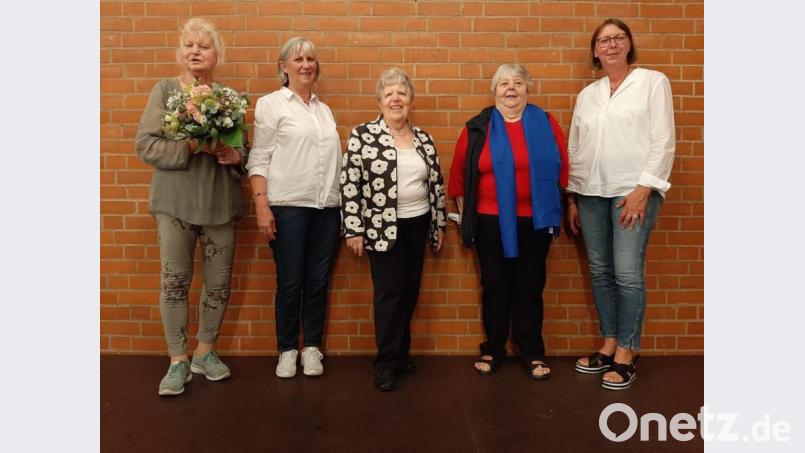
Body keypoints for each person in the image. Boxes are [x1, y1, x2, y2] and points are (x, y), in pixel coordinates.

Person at [135, 18, 247, 396]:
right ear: (181, 52)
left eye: (204, 46)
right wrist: (191, 147)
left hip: (220, 203)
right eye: (189, 45)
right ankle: (177, 360)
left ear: (218, 55)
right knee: (174, 283)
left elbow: (244, 152)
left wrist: (235, 155)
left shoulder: (230, 99)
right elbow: (146, 145)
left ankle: (206, 352)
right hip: (175, 204)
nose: (195, 51)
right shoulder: (165, 91)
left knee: (218, 285)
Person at [567, 18, 675, 390]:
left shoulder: (652, 82)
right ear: (595, 51)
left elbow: (663, 140)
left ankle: (628, 350)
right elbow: (576, 148)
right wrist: (574, 196)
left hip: (631, 193)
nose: (611, 45)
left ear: (628, 45)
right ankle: (609, 342)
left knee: (627, 273)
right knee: (600, 270)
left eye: (618, 38)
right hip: (592, 194)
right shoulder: (588, 95)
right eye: (603, 40)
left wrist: (644, 189)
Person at [448, 64, 568, 380]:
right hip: (490, 222)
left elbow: (563, 167)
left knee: (530, 287)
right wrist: (467, 219)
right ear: (495, 90)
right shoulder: (479, 126)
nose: (511, 89)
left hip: (536, 221)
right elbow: (460, 177)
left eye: (517, 83)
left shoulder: (545, 123)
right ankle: (493, 349)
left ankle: (532, 352)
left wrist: (564, 206)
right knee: (495, 286)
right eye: (504, 84)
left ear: (527, 89)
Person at [341, 68, 447, 391]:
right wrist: (354, 229)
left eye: (401, 93)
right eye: (389, 94)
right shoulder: (363, 135)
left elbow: (437, 185)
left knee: (410, 291)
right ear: (379, 101)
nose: (395, 99)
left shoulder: (424, 139)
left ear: (411, 101)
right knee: (389, 294)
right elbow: (350, 184)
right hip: (380, 227)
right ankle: (386, 363)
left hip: (418, 223)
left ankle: (400, 353)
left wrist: (438, 223)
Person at [247, 37, 341, 379]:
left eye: (311, 59)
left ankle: (311, 347)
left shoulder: (323, 109)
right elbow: (258, 158)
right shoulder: (271, 105)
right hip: (288, 207)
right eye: (298, 59)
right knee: (290, 281)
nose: (306, 64)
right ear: (283, 66)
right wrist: (262, 205)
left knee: (317, 281)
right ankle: (287, 349)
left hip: (327, 207)